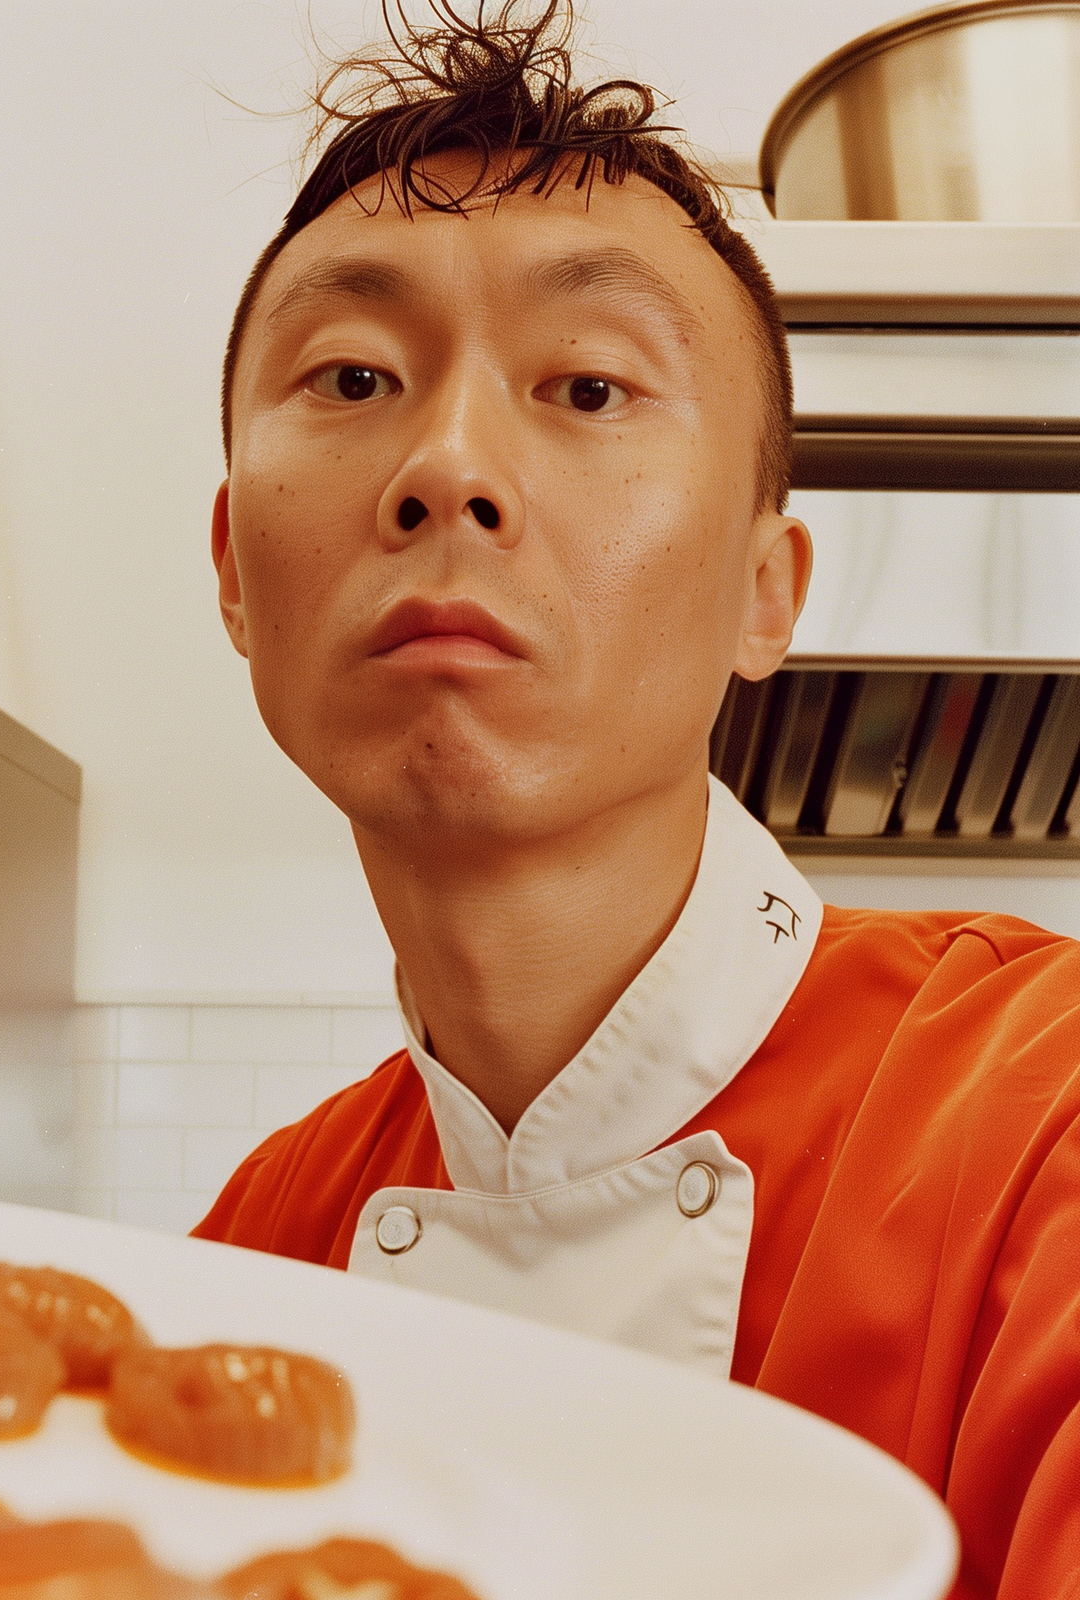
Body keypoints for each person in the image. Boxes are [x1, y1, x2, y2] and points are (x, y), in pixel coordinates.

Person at [192, 5, 1080, 1593]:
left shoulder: (1039, 1119)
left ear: (765, 593)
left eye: (589, 387)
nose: (448, 463)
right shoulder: (251, 1251)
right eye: (353, 375)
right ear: (233, 577)